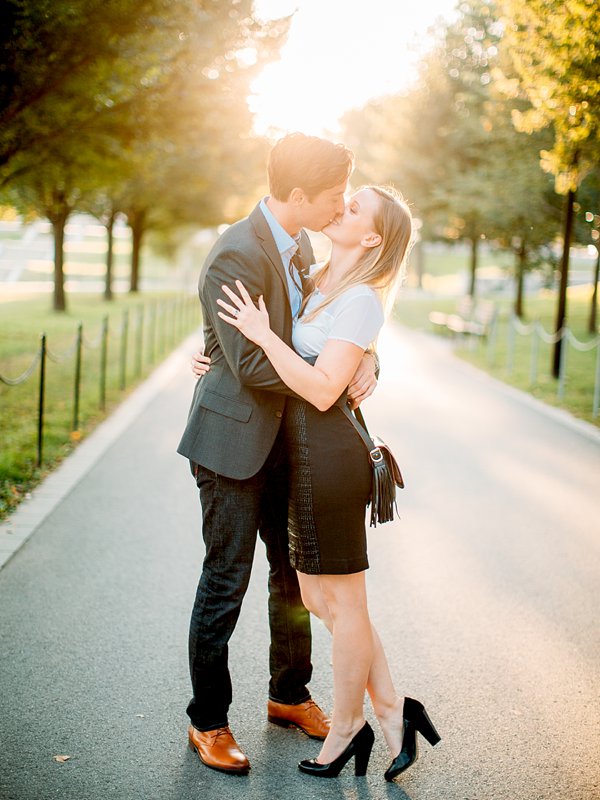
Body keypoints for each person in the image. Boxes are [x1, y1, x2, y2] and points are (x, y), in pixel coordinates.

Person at [216, 184, 441, 780]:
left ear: (371, 237)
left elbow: (320, 388)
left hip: (333, 457)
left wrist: (264, 336)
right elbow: (327, 354)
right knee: (326, 601)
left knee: (343, 603)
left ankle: (348, 729)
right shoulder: (315, 279)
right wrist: (220, 356)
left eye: (354, 206)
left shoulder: (362, 298)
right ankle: (395, 710)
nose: (339, 206)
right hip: (303, 457)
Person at [177, 133, 380, 775]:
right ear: (298, 196)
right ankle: (207, 720)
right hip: (233, 444)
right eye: (333, 198)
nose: (339, 207)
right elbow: (247, 362)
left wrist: (363, 357)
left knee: (291, 577)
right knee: (225, 580)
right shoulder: (235, 252)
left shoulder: (301, 248)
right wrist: (329, 377)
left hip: (289, 446)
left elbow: (330, 317)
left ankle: (288, 695)